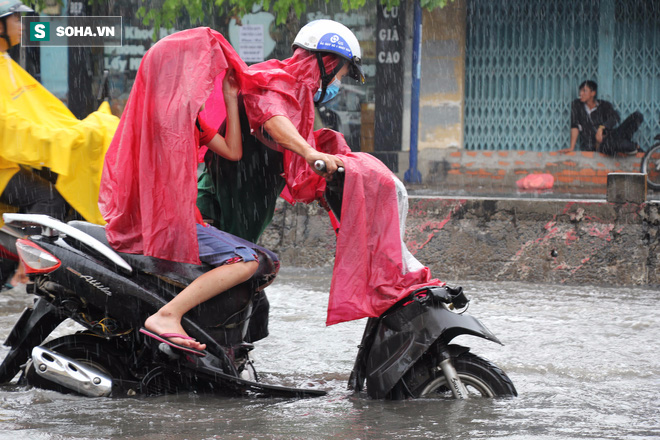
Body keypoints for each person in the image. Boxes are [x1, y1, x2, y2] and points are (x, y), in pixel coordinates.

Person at [562, 80, 644, 155]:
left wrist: (601, 128)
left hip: (613, 136)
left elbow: (615, 117)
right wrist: (572, 147)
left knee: (637, 116)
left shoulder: (604, 105)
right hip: (601, 145)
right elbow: (575, 126)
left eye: (584, 91)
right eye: (580, 91)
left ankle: (630, 147)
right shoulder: (577, 105)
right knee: (616, 143)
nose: (581, 93)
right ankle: (634, 147)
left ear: (593, 93)